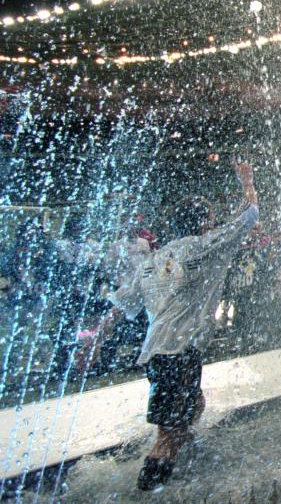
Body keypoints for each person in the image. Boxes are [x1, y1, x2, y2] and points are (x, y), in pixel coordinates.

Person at [78, 158, 259, 491]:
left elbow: (121, 304)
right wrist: (246, 180)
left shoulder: (154, 260)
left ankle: (180, 463)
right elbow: (248, 217)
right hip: (176, 353)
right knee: (167, 435)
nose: (214, 224)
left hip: (165, 354)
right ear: (203, 223)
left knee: (194, 406)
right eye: (210, 220)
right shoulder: (200, 249)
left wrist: (95, 340)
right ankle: (150, 486)